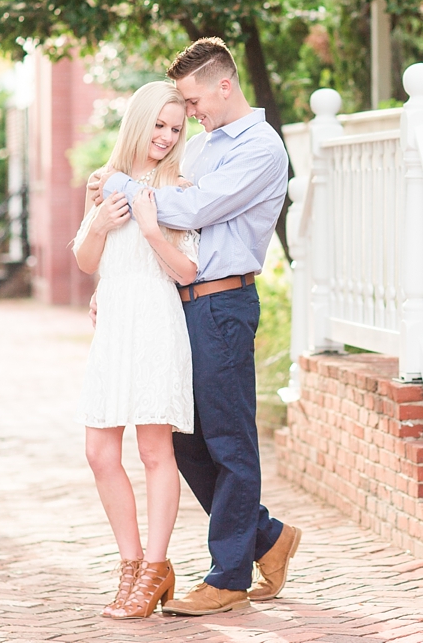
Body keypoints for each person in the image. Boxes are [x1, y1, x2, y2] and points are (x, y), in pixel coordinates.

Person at [89, 37, 301, 617]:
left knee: (229, 440)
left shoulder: (260, 148)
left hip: (223, 303)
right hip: (177, 303)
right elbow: (158, 209)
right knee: (185, 442)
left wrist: (115, 184)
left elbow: (190, 211)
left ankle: (228, 576)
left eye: (193, 98)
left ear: (223, 85)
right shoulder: (204, 147)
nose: (190, 112)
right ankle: (266, 537)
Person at [73, 81, 199, 619]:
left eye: (176, 129)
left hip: (155, 322)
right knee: (99, 451)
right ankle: (128, 567)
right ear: (138, 123)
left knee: (153, 452)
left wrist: (151, 230)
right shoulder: (103, 182)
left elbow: (188, 270)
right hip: (114, 325)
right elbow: (84, 260)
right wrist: (99, 222)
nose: (167, 137)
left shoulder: (181, 187)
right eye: (159, 126)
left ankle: (154, 568)